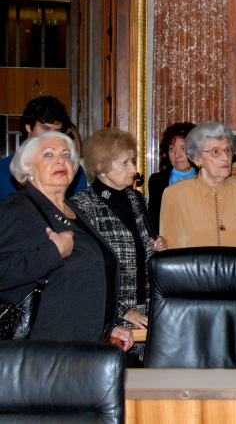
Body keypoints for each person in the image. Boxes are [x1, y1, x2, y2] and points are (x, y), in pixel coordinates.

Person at [0, 132, 133, 349]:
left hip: (82, 348)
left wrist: (105, 326)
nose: (61, 160)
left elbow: (85, 280)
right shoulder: (17, 208)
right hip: (42, 354)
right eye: (48, 155)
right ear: (28, 168)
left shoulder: (74, 210)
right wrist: (52, 252)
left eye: (66, 155)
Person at [71, 129, 167, 362]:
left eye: (132, 160)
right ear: (101, 165)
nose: (133, 170)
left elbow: (138, 244)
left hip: (148, 309)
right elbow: (86, 273)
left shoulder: (137, 199)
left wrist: (156, 244)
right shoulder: (82, 206)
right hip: (111, 316)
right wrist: (120, 311)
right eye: (124, 163)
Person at [160, 121, 236, 249]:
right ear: (197, 158)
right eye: (215, 151)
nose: (225, 157)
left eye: (228, 150)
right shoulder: (174, 194)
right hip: (192, 269)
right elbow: (170, 251)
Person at [0, 96, 87, 200]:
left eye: (57, 131)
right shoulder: (4, 170)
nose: (51, 136)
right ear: (28, 127)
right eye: (45, 129)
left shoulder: (70, 168)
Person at [147, 122, 196, 232]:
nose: (177, 155)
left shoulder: (206, 179)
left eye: (183, 148)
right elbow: (153, 221)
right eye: (172, 149)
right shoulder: (157, 180)